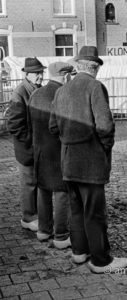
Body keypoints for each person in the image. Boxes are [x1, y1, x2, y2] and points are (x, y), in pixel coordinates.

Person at [49, 46, 127, 273]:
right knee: (94, 212)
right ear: (95, 68)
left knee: (76, 209)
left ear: (77, 66)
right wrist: (104, 148)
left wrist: (68, 140)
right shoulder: (95, 87)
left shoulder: (61, 91)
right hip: (91, 163)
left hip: (68, 161)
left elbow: (53, 126)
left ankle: (79, 252)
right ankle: (101, 261)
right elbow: (105, 126)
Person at [28, 61, 73, 249]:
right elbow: (65, 126)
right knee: (62, 192)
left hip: (39, 150)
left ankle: (43, 230)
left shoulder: (35, 94)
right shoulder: (64, 94)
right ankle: (61, 236)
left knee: (43, 190)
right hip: (58, 152)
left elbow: (29, 124)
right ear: (65, 76)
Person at [7, 57, 46, 232]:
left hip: (38, 148)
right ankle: (28, 217)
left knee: (37, 182)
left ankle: (36, 215)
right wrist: (30, 142)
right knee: (29, 183)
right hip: (27, 149)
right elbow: (14, 124)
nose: (40, 76)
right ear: (27, 74)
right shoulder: (20, 92)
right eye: (36, 73)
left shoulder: (37, 89)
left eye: (41, 72)